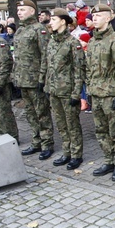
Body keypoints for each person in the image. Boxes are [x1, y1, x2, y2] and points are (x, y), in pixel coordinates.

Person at [86, 4, 115, 181]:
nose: (94, 18)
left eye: (98, 15)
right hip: (96, 94)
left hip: (111, 95)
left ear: (108, 18)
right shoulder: (91, 41)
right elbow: (88, 69)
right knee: (101, 131)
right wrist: (89, 88)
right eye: (93, 15)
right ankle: (109, 160)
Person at [43, 9, 85, 170]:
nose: (50, 22)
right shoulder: (52, 42)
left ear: (63, 22)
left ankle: (76, 154)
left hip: (68, 91)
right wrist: (47, 85)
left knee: (72, 124)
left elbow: (78, 69)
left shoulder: (72, 43)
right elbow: (49, 67)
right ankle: (66, 152)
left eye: (53, 19)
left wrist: (76, 93)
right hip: (54, 91)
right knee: (61, 124)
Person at [13, 0, 55, 160]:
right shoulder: (20, 31)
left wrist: (42, 78)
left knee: (42, 113)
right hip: (23, 79)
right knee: (30, 113)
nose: (19, 12)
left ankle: (47, 143)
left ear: (32, 11)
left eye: (23, 10)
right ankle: (36, 141)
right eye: (19, 10)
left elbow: (46, 55)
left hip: (36, 79)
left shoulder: (40, 30)